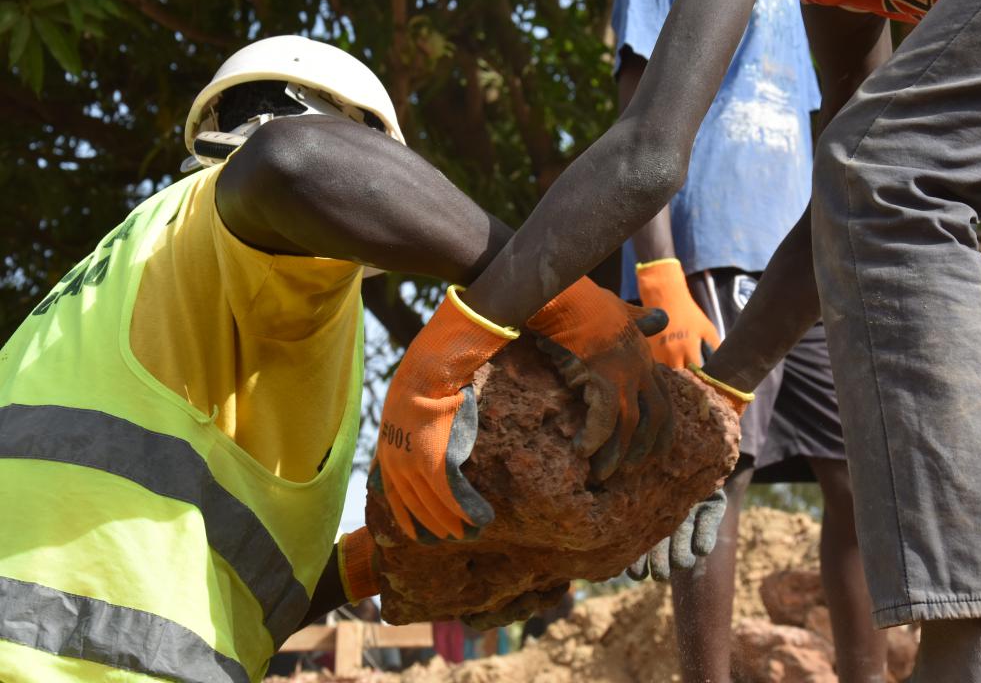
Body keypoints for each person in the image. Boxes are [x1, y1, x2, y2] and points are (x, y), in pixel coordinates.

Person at [403, 0, 981, 681]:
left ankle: (972, 657)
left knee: (886, 167)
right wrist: (724, 391)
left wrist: (443, 356)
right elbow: (847, 188)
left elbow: (651, 152)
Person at [0, 35, 700, 682]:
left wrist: (389, 561)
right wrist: (554, 293)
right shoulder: (244, 225)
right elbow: (292, 162)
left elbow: (236, 589)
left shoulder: (130, 271)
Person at [611, 0, 885, 682]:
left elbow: (836, 110)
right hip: (714, 246)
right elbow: (638, 113)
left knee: (858, 476)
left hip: (805, 254)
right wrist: (659, 265)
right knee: (716, 467)